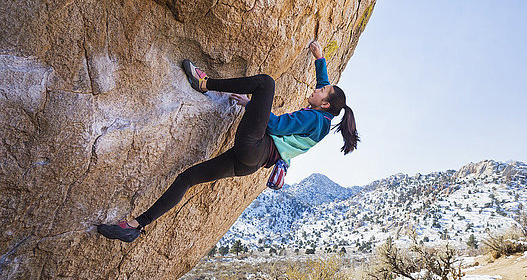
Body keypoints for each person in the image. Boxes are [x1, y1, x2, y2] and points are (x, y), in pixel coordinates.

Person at [97, 41, 359, 242]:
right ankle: (135, 226)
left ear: (325, 103)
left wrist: (253, 104)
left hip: (256, 146)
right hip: (249, 164)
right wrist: (320, 58)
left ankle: (204, 83)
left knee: (265, 83)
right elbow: (325, 86)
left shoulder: (315, 119)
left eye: (322, 91)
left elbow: (276, 125)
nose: (317, 88)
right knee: (187, 178)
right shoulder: (324, 116)